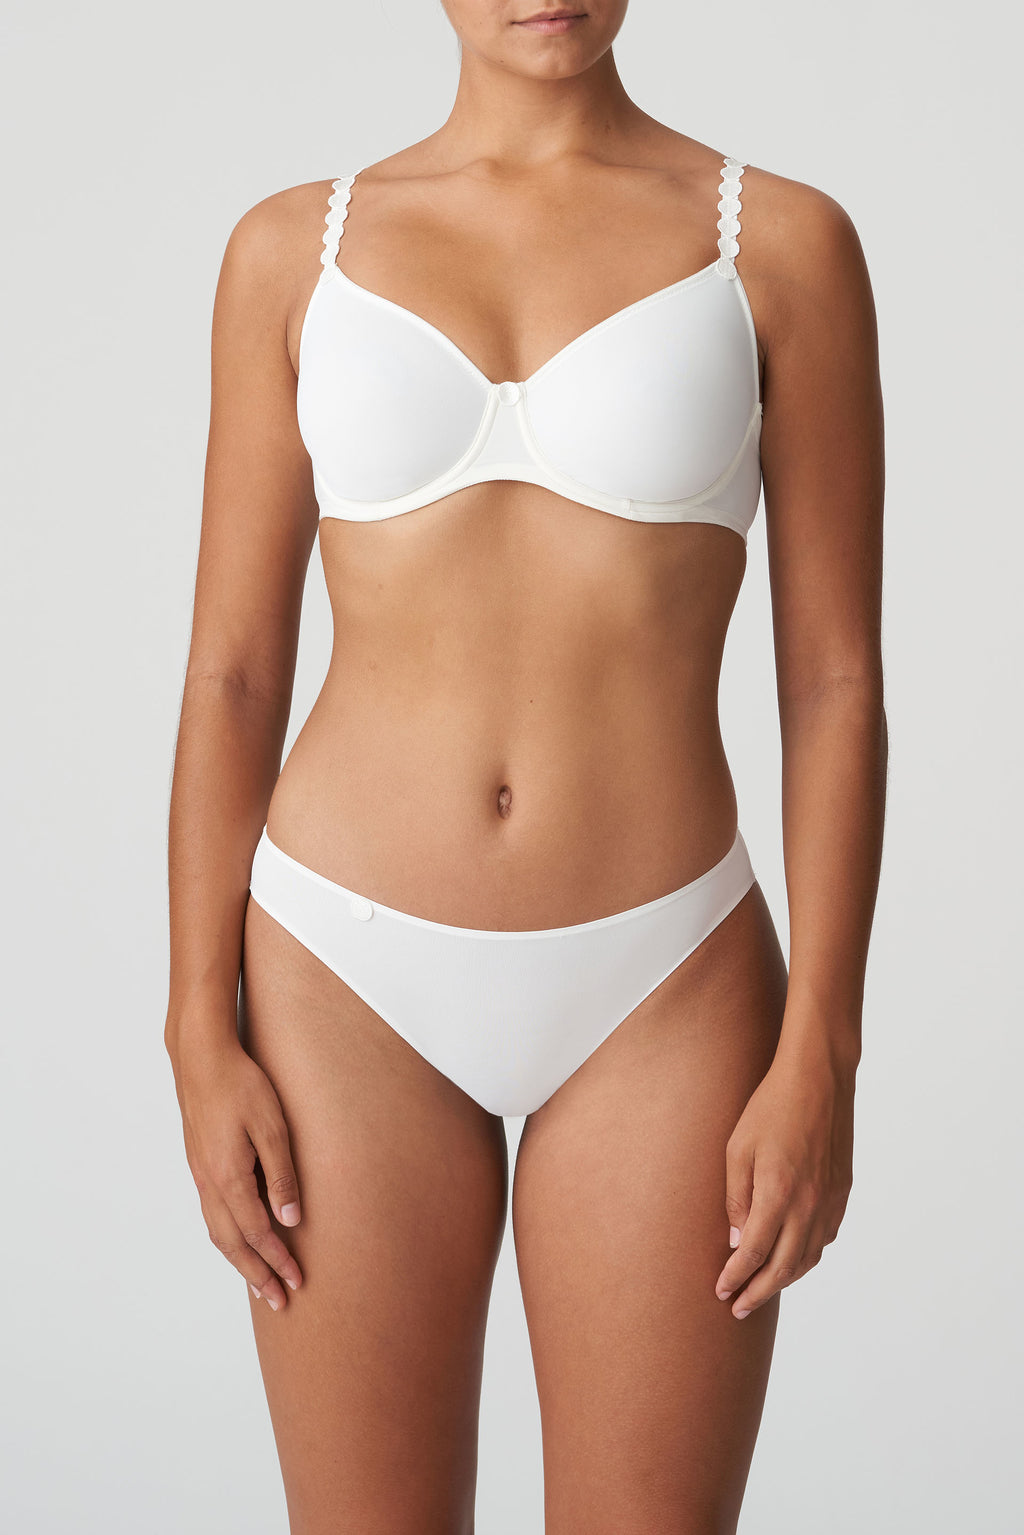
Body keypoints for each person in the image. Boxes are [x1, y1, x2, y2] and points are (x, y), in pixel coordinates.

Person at [164, 1, 887, 1529]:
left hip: (664, 983)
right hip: (340, 981)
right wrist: (193, 1027)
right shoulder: (292, 253)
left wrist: (825, 1042)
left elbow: (833, 682)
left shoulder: (782, 246)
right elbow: (232, 674)